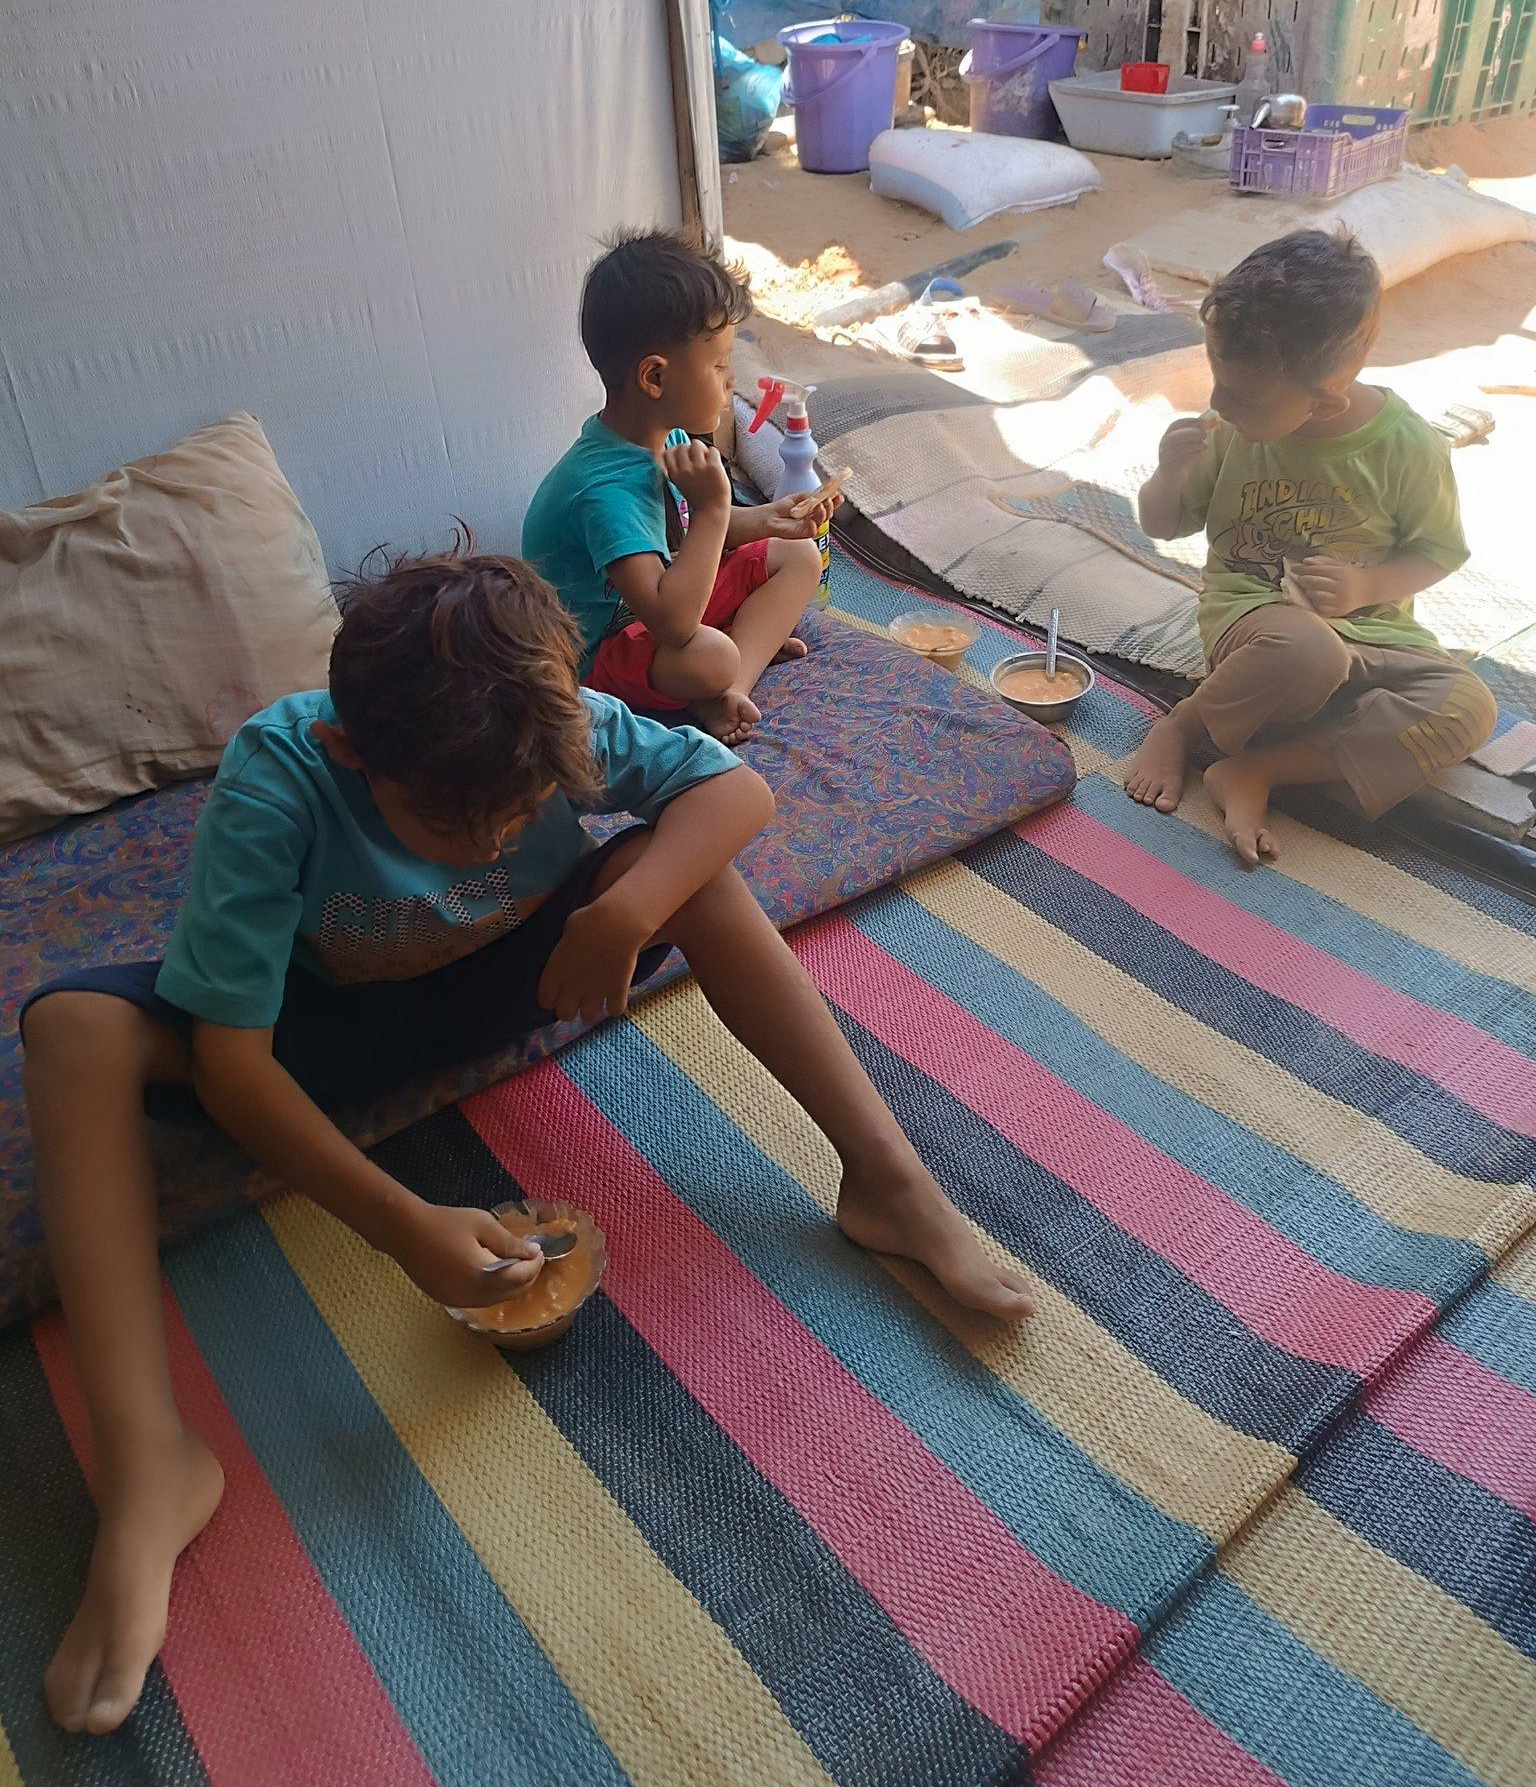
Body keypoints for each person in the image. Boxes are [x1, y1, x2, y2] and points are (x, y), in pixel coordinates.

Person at [21, 543, 1030, 1738]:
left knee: (688, 873)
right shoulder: (280, 770)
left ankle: (887, 1181)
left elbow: (736, 794)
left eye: (518, 812)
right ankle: (151, 1465)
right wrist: (401, 1223)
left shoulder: (551, 716)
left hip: (525, 975)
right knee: (73, 1032)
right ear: (352, 750)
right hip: (320, 1027)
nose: (489, 841)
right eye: (448, 820)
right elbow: (234, 1069)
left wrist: (625, 909)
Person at [1125, 229, 1496, 865]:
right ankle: (1183, 725)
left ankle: (1257, 770)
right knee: (1308, 652)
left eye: (1241, 394)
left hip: (1376, 640)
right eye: (1217, 378)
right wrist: (1168, 476)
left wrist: (1366, 587)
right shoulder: (1231, 430)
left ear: (1324, 400)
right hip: (1263, 632)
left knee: (1468, 706)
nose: (1217, 402)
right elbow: (1162, 524)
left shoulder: (1408, 446)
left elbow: (1438, 551)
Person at [523, 228, 834, 747]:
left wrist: (771, 519)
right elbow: (674, 624)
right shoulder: (605, 491)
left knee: (797, 554)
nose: (731, 381)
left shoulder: (666, 435)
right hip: (597, 656)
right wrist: (712, 509)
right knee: (711, 654)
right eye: (718, 366)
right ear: (654, 378)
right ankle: (720, 678)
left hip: (663, 603)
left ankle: (729, 693)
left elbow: (687, 533)